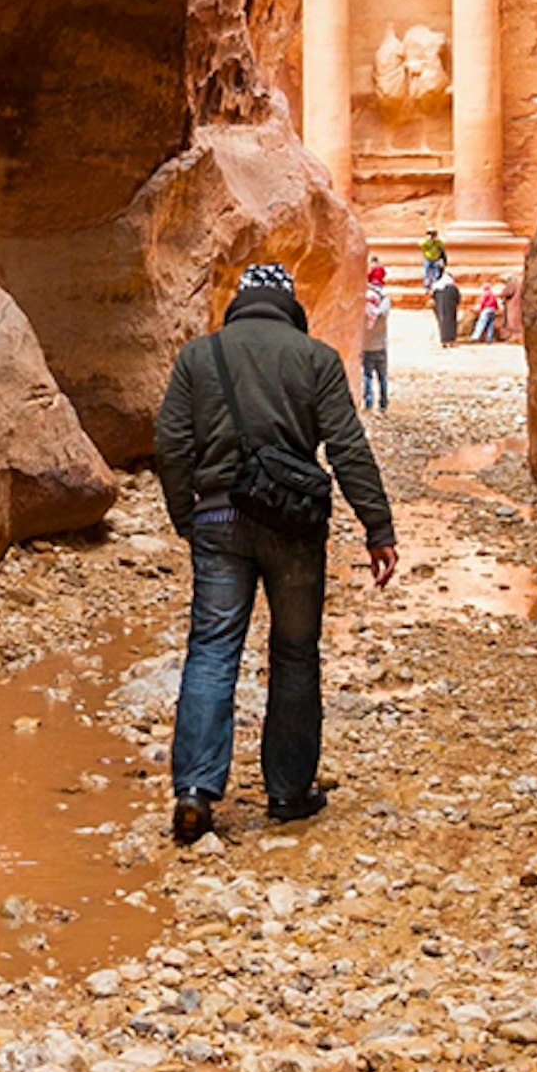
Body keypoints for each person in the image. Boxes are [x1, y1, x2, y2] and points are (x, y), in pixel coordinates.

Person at [151, 262, 400, 843]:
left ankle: (194, 789)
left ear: (241, 303)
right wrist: (377, 526)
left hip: (217, 518)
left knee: (212, 650)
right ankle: (288, 792)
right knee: (294, 653)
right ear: (289, 306)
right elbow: (346, 446)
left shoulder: (198, 357)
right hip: (294, 528)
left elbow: (171, 443)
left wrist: (185, 514)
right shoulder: (314, 359)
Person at [358, 262, 392, 414]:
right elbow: (382, 313)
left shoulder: (362, 300)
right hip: (381, 344)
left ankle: (368, 402)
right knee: (382, 376)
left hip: (366, 345)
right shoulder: (384, 299)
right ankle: (383, 403)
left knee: (367, 376)